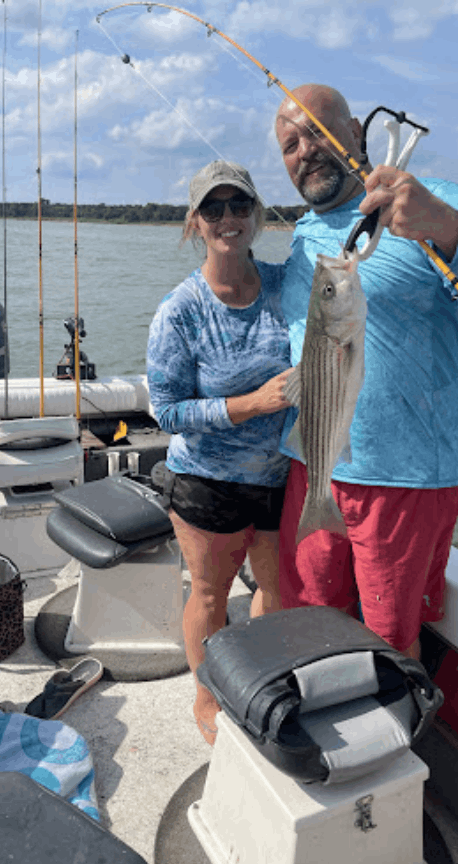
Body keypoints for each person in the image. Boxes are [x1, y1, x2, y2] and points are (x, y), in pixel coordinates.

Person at [275, 84, 458, 660]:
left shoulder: (433, 199)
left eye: (317, 130)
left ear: (357, 133)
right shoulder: (301, 234)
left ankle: (389, 739)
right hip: (312, 463)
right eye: (289, 144)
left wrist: (444, 226)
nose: (304, 150)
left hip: (403, 482)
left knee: (390, 642)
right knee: (309, 621)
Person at [146, 160, 292, 744]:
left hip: (283, 477)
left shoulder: (287, 285)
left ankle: (256, 681)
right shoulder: (179, 311)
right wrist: (250, 405)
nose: (228, 218)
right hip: (207, 480)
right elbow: (168, 411)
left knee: (277, 590)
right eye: (214, 208)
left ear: (255, 215)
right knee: (210, 594)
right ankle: (207, 696)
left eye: (239, 205)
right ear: (195, 223)